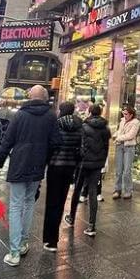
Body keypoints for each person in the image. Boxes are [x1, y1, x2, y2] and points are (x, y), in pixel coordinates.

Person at [0, 85, 61, 266]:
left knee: (15, 205)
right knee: (29, 203)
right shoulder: (51, 116)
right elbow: (56, 143)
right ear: (45, 98)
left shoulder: (20, 115)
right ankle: (22, 243)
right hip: (38, 166)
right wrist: (44, 158)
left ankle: (14, 252)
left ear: (30, 96)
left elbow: (7, 142)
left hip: (19, 164)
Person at [42, 101, 82, 252]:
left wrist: (46, 162)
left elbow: (51, 145)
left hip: (55, 166)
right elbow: (80, 147)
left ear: (61, 110)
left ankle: (50, 239)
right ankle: (54, 239)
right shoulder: (79, 125)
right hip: (70, 167)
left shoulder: (56, 124)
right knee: (61, 201)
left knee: (52, 202)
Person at [67, 104, 110, 237]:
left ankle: (71, 217)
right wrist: (102, 162)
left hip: (83, 163)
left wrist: (78, 160)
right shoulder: (105, 128)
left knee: (77, 190)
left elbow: (79, 146)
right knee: (93, 192)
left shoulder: (83, 127)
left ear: (90, 112)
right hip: (97, 164)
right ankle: (91, 225)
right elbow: (106, 148)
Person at [111, 105, 140, 200]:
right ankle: (117, 190)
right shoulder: (122, 120)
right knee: (118, 170)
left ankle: (128, 191)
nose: (124, 115)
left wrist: (118, 138)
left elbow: (131, 135)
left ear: (131, 115)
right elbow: (120, 131)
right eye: (123, 113)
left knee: (127, 170)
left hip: (129, 147)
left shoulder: (136, 122)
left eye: (126, 114)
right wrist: (115, 135)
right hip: (119, 146)